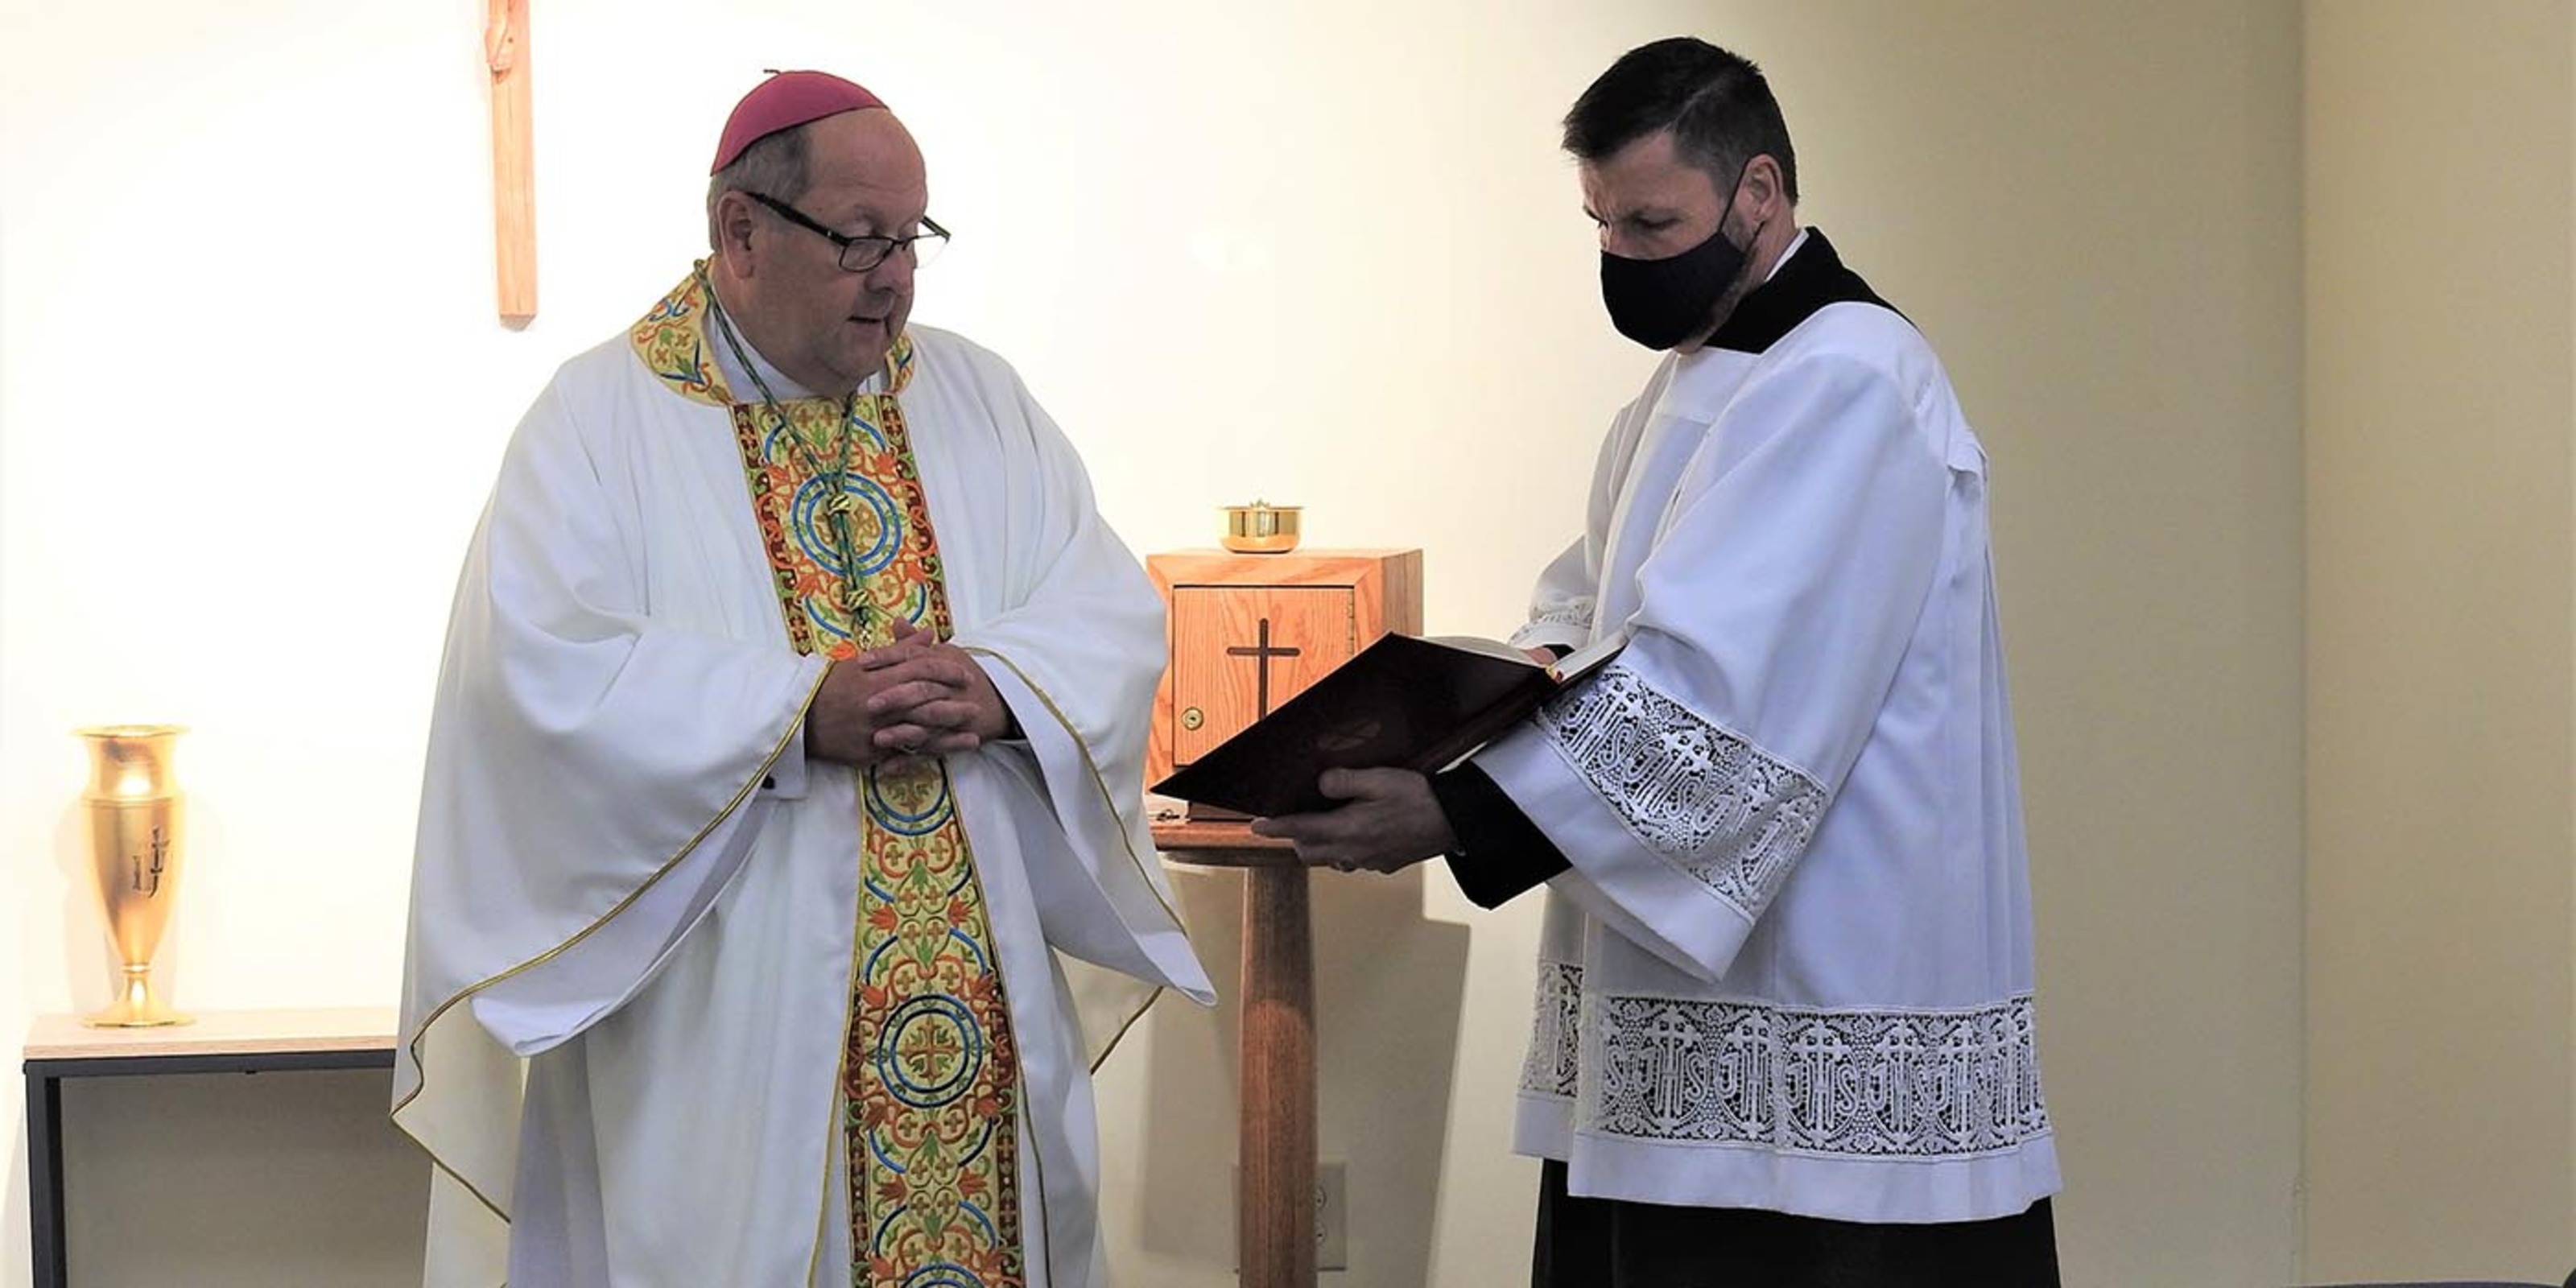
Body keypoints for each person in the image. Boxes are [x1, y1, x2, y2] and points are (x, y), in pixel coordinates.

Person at [1252, 37, 2062, 1287]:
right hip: (1684, 997)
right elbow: (1591, 609)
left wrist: (1460, 813)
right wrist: (1471, 694)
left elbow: (1720, 691)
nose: (1622, 259)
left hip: (1821, 993)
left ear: (1757, 192)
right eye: (1601, 224)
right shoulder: (1695, 385)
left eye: (1651, 224)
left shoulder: (1848, 377)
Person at [393, 70, 1211, 1288]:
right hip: (723, 1026)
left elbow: (1103, 611)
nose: (896, 279)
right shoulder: (599, 423)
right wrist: (791, 715)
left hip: (978, 1013)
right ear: (741, 234)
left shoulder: (978, 397)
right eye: (861, 240)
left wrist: (1002, 688)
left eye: (914, 239)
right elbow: (534, 683)